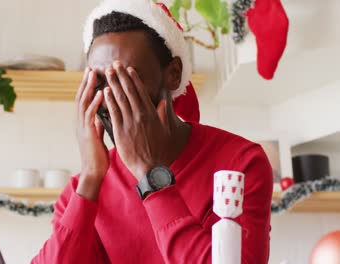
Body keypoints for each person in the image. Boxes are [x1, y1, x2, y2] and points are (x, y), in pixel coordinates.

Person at [32, 0, 273, 263]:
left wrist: (151, 175)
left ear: (173, 74)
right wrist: (90, 178)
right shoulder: (87, 184)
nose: (112, 98)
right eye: (100, 83)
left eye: (126, 81)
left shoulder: (241, 163)